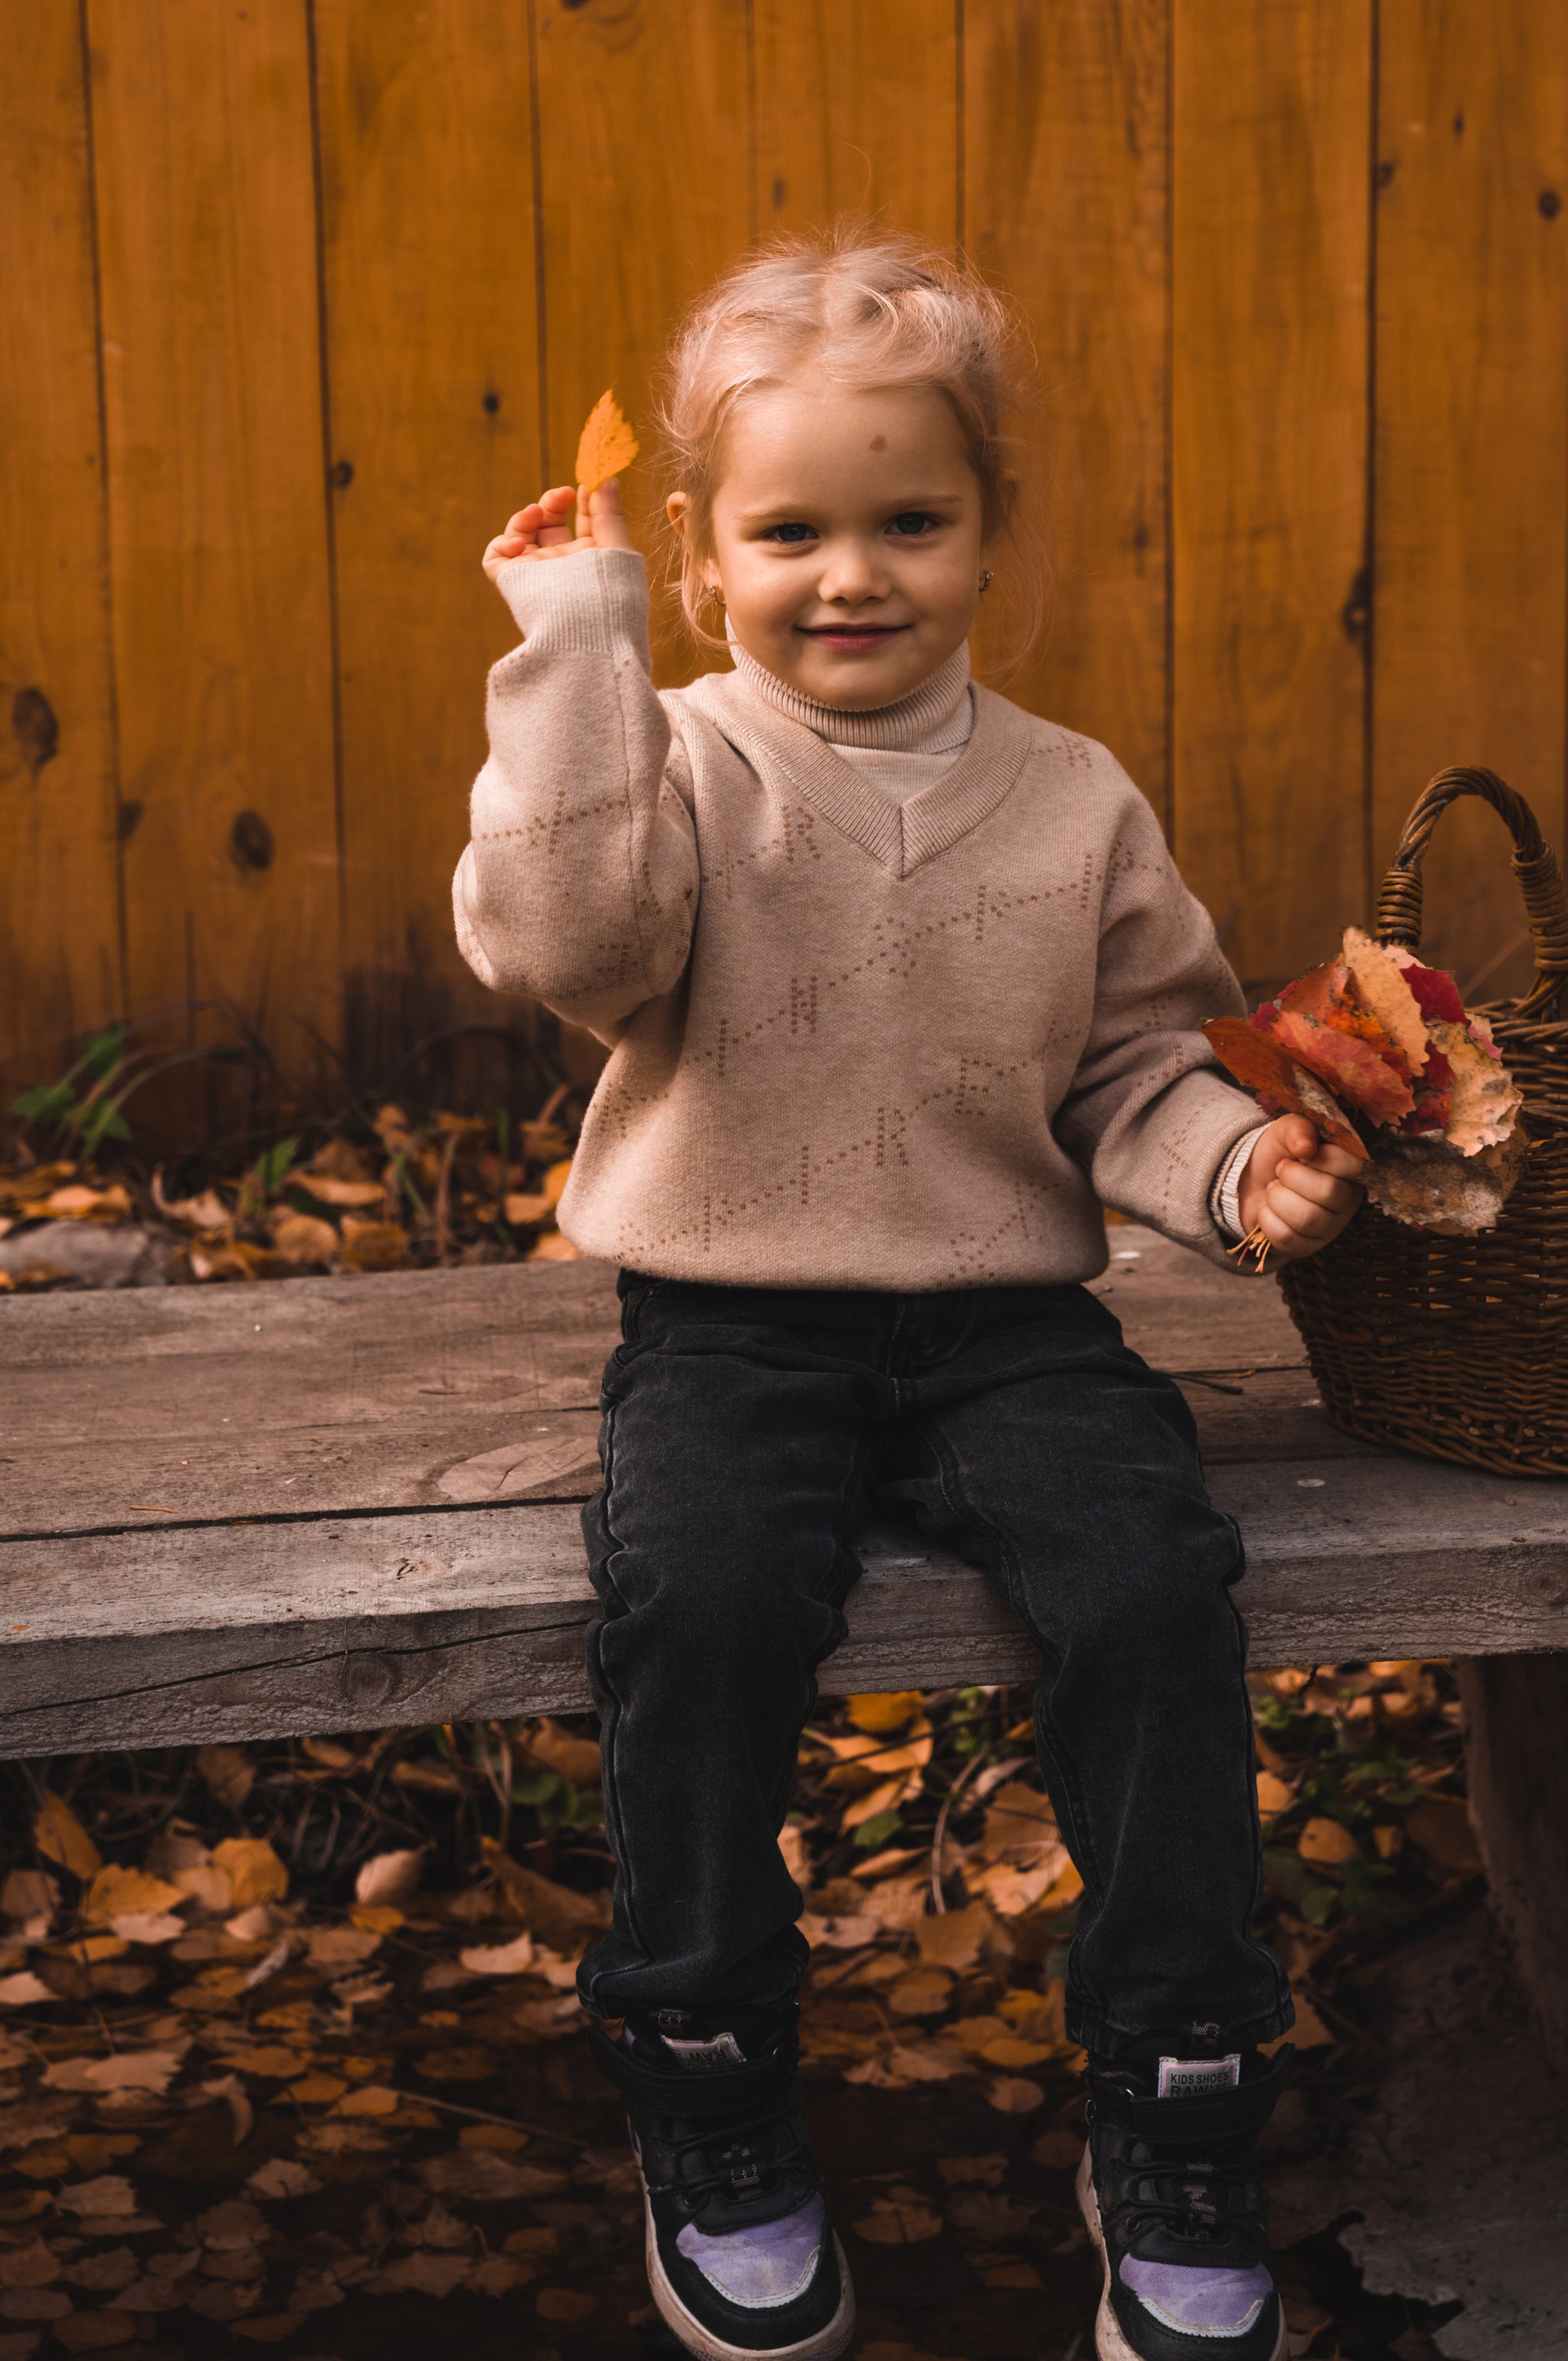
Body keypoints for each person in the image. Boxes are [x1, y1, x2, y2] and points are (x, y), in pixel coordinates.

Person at [455, 233, 1363, 2361]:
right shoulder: (665, 765)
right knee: (700, 1595)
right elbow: (565, 946)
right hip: (732, 1315)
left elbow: (1145, 1059)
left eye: (908, 522)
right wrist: (570, 648)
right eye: (790, 530)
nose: (848, 573)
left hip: (1000, 1318)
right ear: (699, 557)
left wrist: (1244, 1165)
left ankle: (1176, 2085)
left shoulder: (1072, 797)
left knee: (1147, 1577)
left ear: (985, 536)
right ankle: (706, 2065)